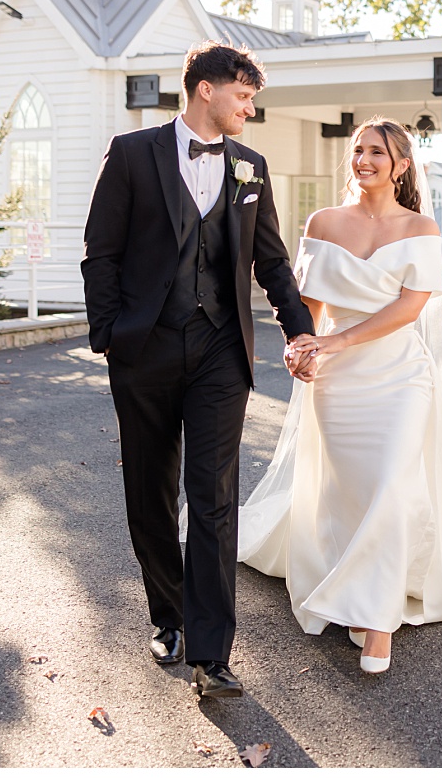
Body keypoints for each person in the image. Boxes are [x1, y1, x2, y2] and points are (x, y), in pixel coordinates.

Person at [239, 117, 442, 674]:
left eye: (377, 152)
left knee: (388, 481)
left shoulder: (420, 229)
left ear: (402, 165)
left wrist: (334, 340)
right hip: (336, 381)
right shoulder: (323, 221)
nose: (364, 160)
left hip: (399, 375)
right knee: (351, 488)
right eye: (358, 150)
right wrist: (302, 346)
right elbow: (307, 304)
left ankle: (377, 618)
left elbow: (409, 308)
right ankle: (355, 582)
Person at [81, 41, 315, 699]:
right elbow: (102, 254)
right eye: (243, 96)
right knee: (151, 493)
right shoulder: (131, 154)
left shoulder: (251, 167)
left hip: (220, 352)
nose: (249, 108)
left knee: (212, 497)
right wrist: (110, 338)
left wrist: (299, 328)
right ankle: (170, 617)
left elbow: (270, 263)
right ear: (205, 89)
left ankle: (213, 655)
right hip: (144, 349)